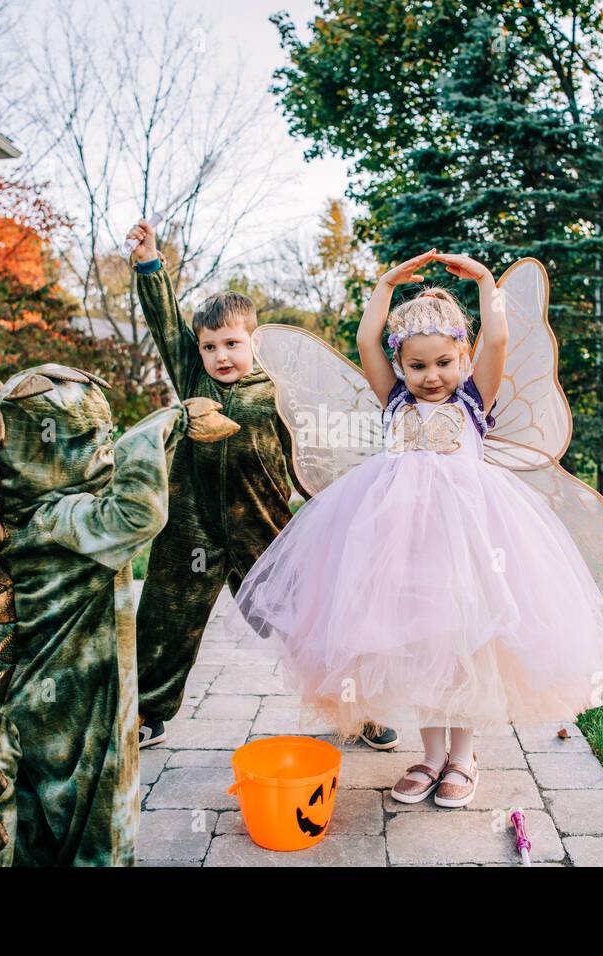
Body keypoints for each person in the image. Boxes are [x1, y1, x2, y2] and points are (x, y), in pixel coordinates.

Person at [225, 250, 603, 808]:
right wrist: (387, 284)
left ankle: (463, 758)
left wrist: (488, 282)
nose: (431, 376)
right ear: (401, 366)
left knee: (466, 641)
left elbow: (498, 341)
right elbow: (369, 342)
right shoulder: (393, 399)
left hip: (469, 543)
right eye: (417, 366)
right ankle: (430, 755)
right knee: (420, 643)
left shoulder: (472, 399)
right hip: (402, 547)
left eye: (443, 362)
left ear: (462, 358)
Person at [125, 220, 399, 752]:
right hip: (192, 527)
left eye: (232, 343)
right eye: (209, 347)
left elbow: (312, 454)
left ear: (254, 340)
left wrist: (341, 504)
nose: (221, 356)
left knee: (311, 621)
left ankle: (358, 711)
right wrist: (149, 265)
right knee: (164, 618)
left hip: (266, 531)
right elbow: (164, 323)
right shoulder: (193, 378)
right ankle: (146, 713)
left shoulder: (278, 390)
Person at [0, 363, 238, 865]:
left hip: (28, 695)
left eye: (107, 437)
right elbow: (138, 513)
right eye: (92, 438)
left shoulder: (0, 510)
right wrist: (164, 423)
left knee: (31, 797)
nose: (105, 449)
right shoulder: (62, 519)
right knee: (86, 803)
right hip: (76, 701)